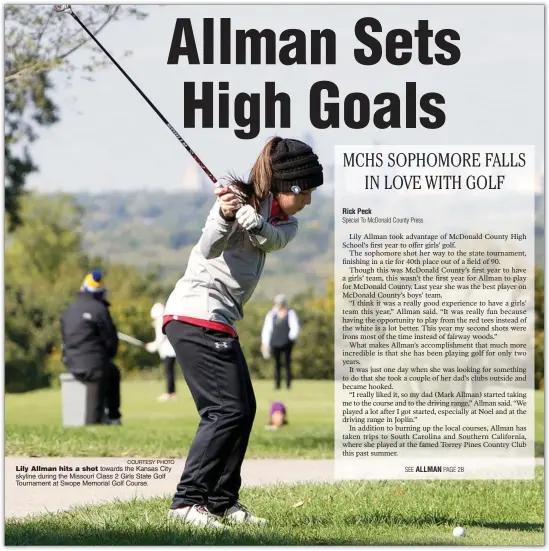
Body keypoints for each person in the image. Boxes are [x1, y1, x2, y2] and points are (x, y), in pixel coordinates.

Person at [162, 136, 323, 529]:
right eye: (307, 192)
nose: (309, 201)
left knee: (244, 410)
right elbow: (207, 248)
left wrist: (257, 223)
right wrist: (223, 213)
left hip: (217, 320)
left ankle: (220, 500)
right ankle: (186, 503)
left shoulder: (287, 222)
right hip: (195, 314)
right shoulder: (236, 197)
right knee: (224, 411)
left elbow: (274, 239)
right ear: (291, 187)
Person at [60, 270, 122, 425]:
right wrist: (107, 356)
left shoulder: (69, 309)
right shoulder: (100, 310)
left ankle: (112, 416)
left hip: (70, 361)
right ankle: (110, 418)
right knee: (93, 419)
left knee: (112, 372)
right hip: (94, 367)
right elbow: (111, 341)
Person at [261, 294, 300, 390]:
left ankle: (288, 385)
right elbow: (267, 329)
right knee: (277, 364)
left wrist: (290, 339)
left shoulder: (290, 313)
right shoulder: (271, 314)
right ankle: (277, 385)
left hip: (287, 342)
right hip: (275, 342)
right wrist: (265, 343)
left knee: (287, 364)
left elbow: (294, 327)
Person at [146, 302, 178, 401]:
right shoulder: (162, 320)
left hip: (168, 351)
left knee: (168, 372)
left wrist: (152, 347)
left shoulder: (160, 322)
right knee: (170, 372)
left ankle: (169, 393)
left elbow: (160, 338)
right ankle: (171, 392)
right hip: (170, 350)